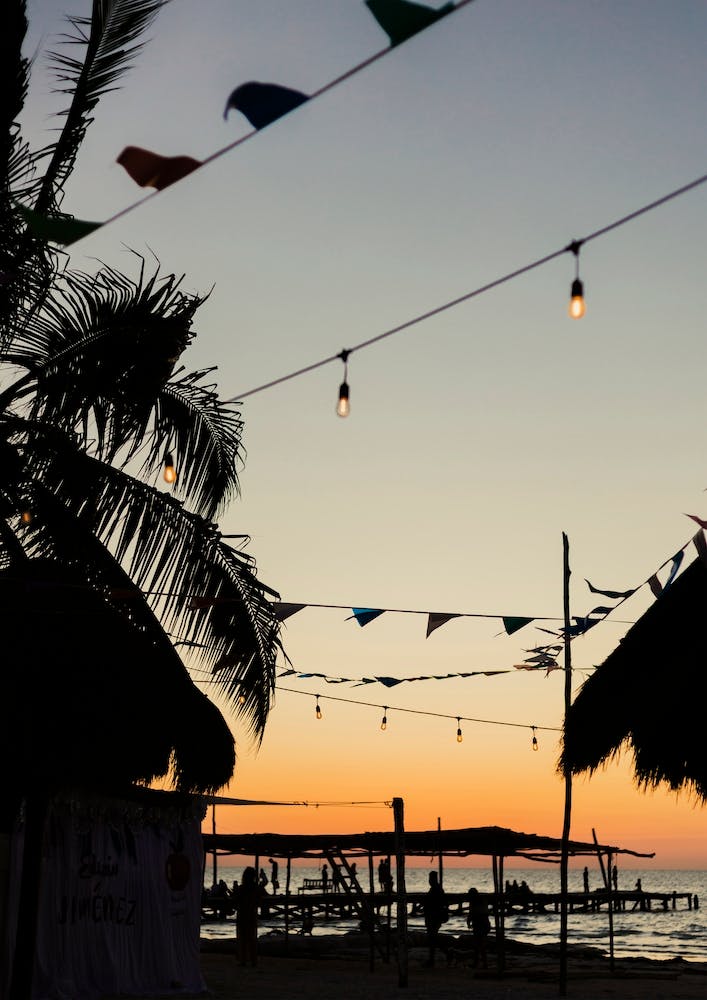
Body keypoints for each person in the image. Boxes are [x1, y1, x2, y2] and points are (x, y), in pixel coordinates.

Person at [233, 866, 259, 967]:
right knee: (252, 938)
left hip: (243, 914)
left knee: (242, 938)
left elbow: (236, 900)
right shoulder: (255, 888)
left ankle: (243, 960)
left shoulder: (242, 888)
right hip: (251, 914)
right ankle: (253, 960)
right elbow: (257, 900)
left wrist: (235, 891)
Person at [422, 870, 448, 967]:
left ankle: (433, 959)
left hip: (434, 917)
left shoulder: (435, 889)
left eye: (430, 878)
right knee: (433, 938)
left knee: (432, 938)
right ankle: (441, 954)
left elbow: (435, 904)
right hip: (434, 917)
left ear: (433, 879)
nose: (429, 881)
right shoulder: (437, 889)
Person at [466, 887, 491, 969]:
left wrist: (469, 921)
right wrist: (469, 921)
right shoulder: (482, 901)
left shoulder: (475, 902)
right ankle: (480, 963)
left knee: (479, 945)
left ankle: (482, 963)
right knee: (479, 945)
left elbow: (473, 913)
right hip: (483, 925)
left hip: (480, 925)